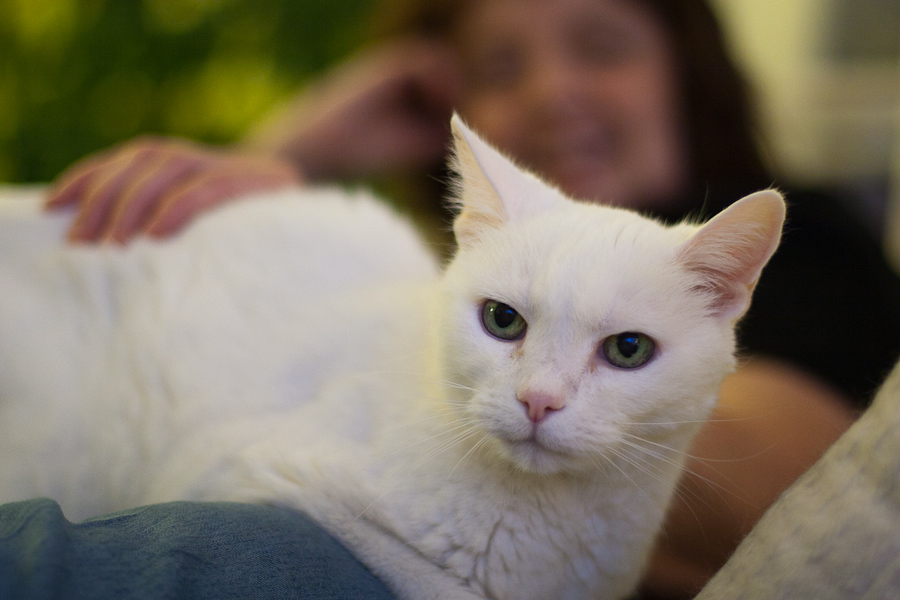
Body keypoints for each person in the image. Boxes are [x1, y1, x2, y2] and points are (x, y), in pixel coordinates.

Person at [16, 0, 900, 598]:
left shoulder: (801, 236)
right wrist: (300, 159)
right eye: (502, 66)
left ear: (685, 66)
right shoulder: (448, 271)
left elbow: (792, 474)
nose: (555, 92)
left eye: (598, 45)